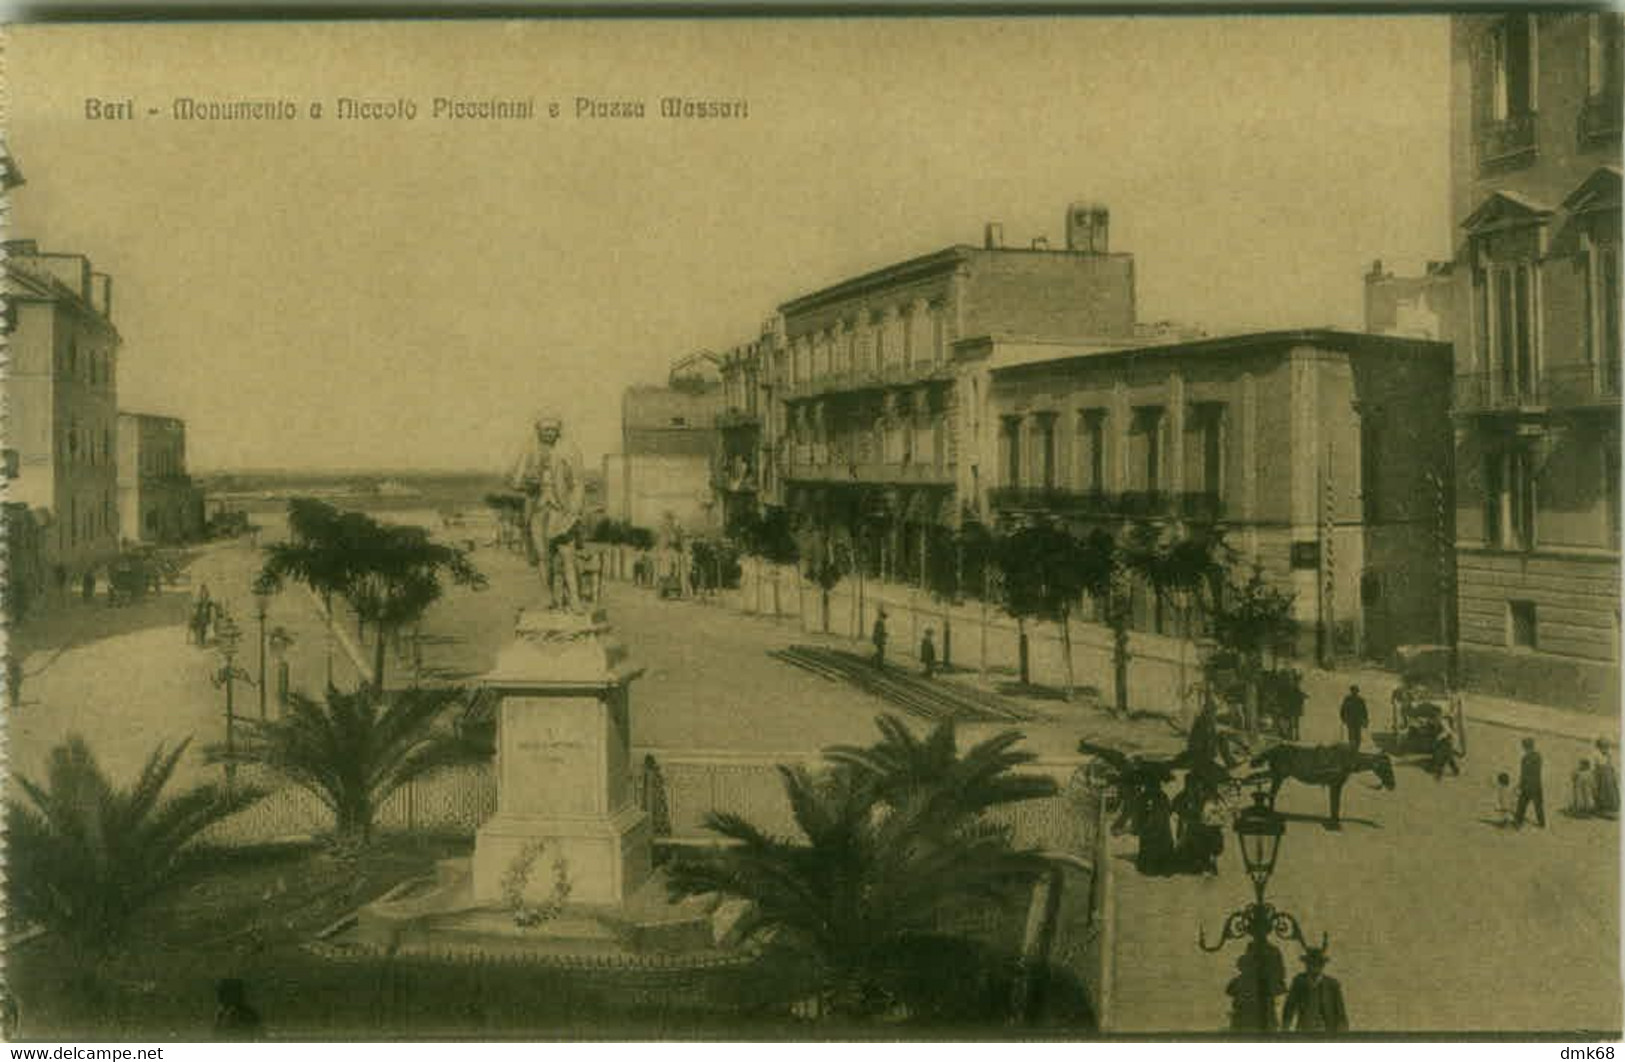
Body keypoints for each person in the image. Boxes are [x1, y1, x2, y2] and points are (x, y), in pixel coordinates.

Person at [508, 411, 586, 613]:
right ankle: (547, 597)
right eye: (545, 430)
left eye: (553, 429)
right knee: (543, 556)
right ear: (538, 430)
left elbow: (578, 483)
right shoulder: (529, 450)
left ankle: (575, 599)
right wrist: (527, 482)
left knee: (567, 554)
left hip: (562, 509)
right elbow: (514, 481)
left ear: (559, 430)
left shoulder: (570, 450)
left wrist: (575, 510)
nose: (549, 433)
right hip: (538, 508)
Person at [1281, 948, 1349, 1033]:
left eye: (1317, 964)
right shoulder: (1299, 982)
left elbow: (1341, 1013)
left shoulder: (1332, 985)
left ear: (1322, 965)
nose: (1314, 967)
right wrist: (1285, 1029)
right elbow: (1289, 1008)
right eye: (1310, 963)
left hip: (1328, 1031)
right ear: (1306, 965)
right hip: (1304, 1031)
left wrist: (1343, 1035)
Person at [1226, 940, 1287, 1032]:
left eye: (1249, 965)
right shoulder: (1238, 981)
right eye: (1246, 966)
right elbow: (1229, 990)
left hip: (1253, 1017)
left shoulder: (1246, 980)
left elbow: (1230, 991)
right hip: (1243, 1017)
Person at [1515, 736, 1546, 828]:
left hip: (1528, 786)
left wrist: (1520, 785)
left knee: (1522, 804)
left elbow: (1524, 773)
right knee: (1538, 806)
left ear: (1525, 746)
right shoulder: (1538, 756)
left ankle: (1518, 821)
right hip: (1537, 784)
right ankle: (1542, 823)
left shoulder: (1525, 758)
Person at [1593, 739, 1620, 818]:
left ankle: (1609, 808)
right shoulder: (1596, 754)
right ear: (1599, 747)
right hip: (1600, 775)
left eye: (1606, 747)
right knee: (1600, 790)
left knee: (1610, 791)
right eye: (1602, 747)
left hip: (1608, 775)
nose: (1604, 749)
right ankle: (1601, 808)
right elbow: (1595, 765)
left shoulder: (1608, 754)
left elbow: (1611, 764)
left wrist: (1613, 772)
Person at [1430, 713, 1462, 779]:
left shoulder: (1442, 722)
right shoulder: (1438, 721)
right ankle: (1454, 771)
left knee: (1445, 758)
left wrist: (1439, 738)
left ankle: (1440, 774)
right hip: (1445, 742)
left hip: (1447, 741)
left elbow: (1447, 731)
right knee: (1448, 758)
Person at [1339, 685, 1368, 751]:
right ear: (1351, 691)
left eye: (1356, 691)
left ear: (1357, 692)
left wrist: (1365, 720)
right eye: (1353, 691)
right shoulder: (1347, 699)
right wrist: (1343, 718)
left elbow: (1364, 711)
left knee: (1357, 735)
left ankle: (1356, 748)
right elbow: (1343, 709)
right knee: (1351, 734)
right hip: (1350, 720)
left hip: (1358, 720)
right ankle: (1352, 747)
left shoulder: (1360, 700)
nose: (1354, 692)